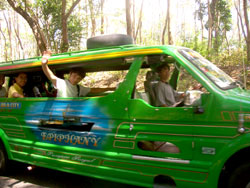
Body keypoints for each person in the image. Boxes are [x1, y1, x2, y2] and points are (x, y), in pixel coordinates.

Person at [41, 50, 115, 97]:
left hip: (72, 115)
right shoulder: (61, 83)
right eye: (74, 75)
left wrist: (113, 88)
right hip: (59, 114)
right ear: (70, 73)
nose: (76, 79)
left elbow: (94, 90)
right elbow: (49, 74)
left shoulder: (79, 88)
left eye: (79, 78)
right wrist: (44, 63)